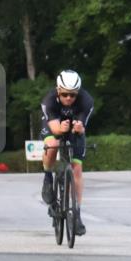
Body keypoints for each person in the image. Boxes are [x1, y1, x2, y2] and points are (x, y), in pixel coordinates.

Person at [40, 70, 94, 236]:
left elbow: (82, 125)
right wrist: (60, 128)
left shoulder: (86, 101)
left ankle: (76, 213)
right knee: (53, 144)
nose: (69, 98)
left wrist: (78, 128)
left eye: (72, 95)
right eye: (64, 94)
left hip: (74, 128)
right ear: (58, 91)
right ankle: (48, 177)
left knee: (77, 168)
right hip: (53, 125)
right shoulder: (49, 101)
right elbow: (55, 129)